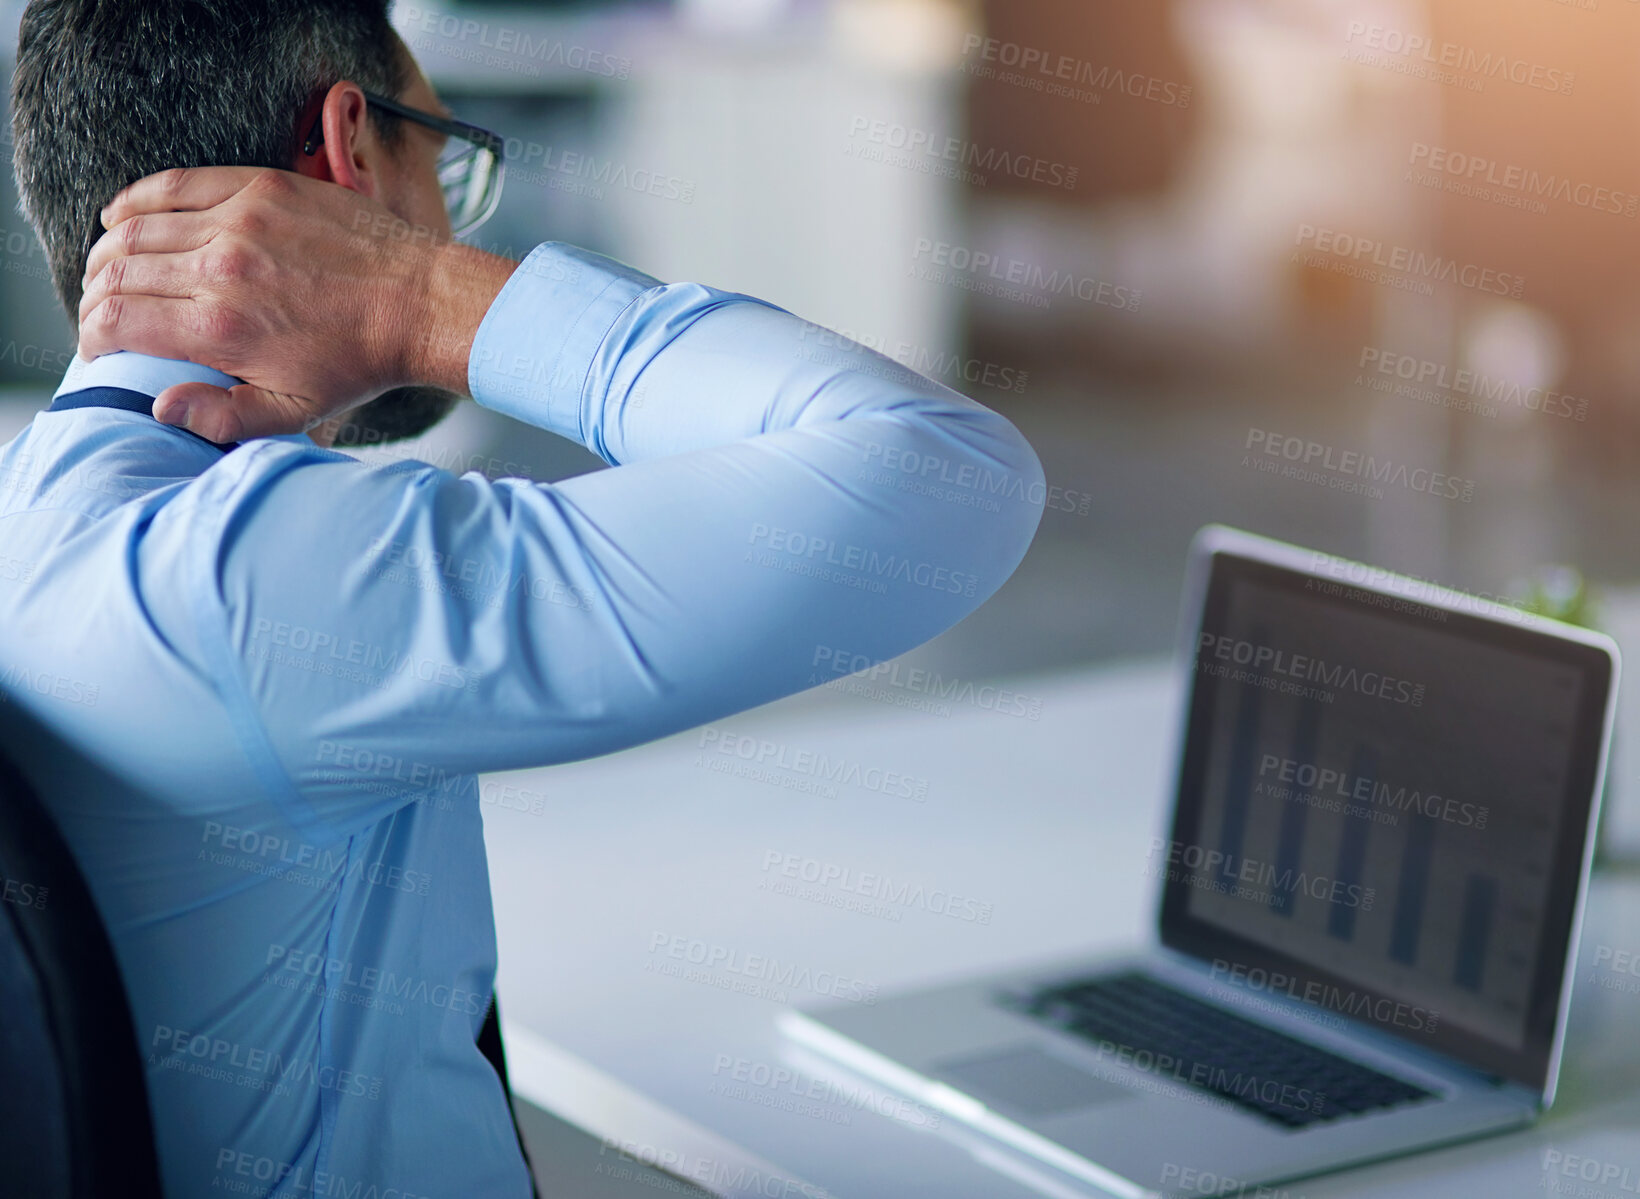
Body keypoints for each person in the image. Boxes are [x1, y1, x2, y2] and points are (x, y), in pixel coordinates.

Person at [0, 2, 1044, 1195]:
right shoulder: (254, 568)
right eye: (439, 160)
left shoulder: (34, 507)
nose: (450, 216)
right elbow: (945, 473)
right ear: (347, 150)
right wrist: (423, 297)